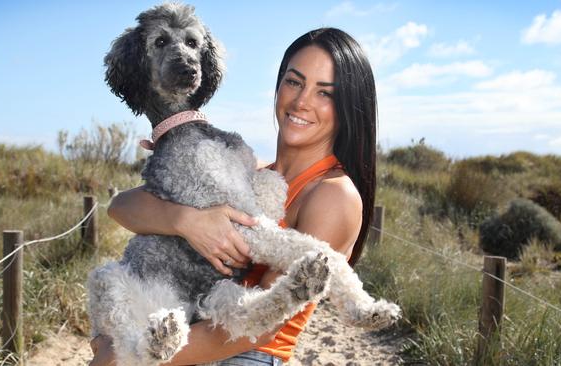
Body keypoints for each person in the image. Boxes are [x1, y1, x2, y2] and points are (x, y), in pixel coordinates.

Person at [90, 27, 377, 366]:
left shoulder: (333, 195)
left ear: (349, 105)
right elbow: (122, 206)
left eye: (325, 93)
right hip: (184, 333)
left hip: (242, 354)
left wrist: (126, 357)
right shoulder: (250, 169)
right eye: (294, 82)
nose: (301, 102)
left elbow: (265, 321)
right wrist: (185, 221)